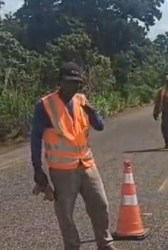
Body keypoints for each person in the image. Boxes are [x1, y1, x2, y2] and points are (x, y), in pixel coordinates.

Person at [30, 62, 119, 250]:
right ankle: (72, 246)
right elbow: (35, 139)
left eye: (77, 82)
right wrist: (38, 169)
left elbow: (100, 126)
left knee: (100, 205)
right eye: (70, 82)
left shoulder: (81, 100)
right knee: (65, 214)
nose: (74, 86)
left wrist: (93, 112)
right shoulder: (45, 105)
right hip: (62, 170)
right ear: (60, 81)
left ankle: (105, 244)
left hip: (86, 164)